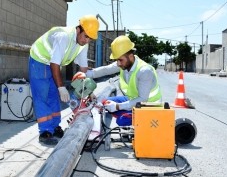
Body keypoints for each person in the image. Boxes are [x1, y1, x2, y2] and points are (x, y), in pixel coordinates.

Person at [29, 15, 100, 145]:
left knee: (53, 95)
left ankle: (55, 127)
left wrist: (87, 90)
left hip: (53, 63)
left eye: (90, 38)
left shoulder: (83, 44)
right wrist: (61, 87)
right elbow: (54, 64)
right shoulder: (64, 37)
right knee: (42, 95)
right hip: (39, 60)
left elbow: (83, 69)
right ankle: (45, 132)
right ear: (79, 30)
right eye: (86, 36)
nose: (87, 40)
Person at [85, 35, 162, 126]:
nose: (118, 63)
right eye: (117, 60)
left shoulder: (144, 71)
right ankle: (125, 113)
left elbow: (142, 99)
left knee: (122, 120)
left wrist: (117, 106)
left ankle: (146, 123)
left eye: (120, 60)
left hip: (148, 107)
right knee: (104, 102)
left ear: (130, 56)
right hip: (133, 100)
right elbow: (106, 69)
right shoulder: (124, 64)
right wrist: (87, 73)